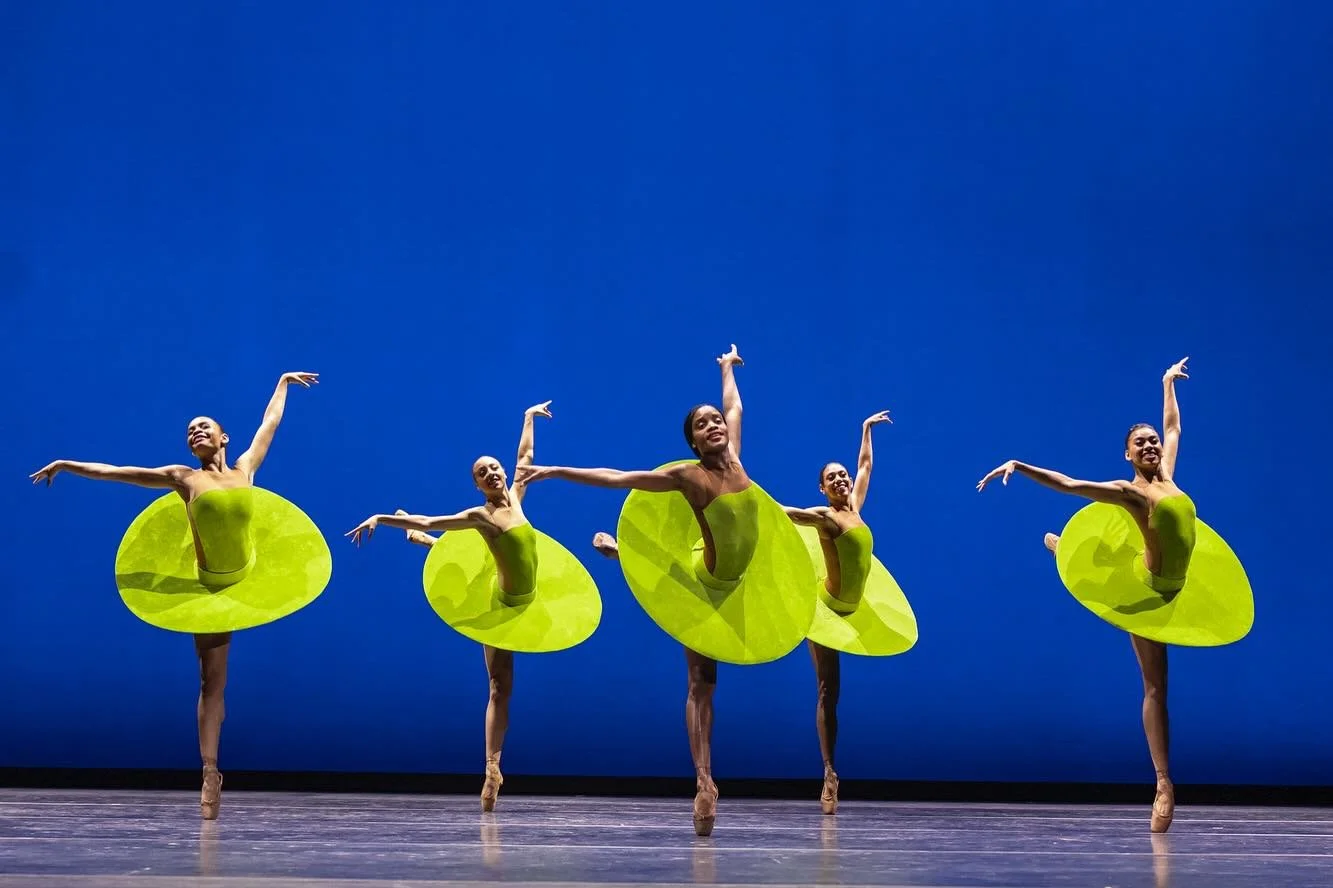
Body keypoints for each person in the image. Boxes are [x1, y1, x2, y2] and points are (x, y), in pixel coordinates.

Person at [518, 345, 815, 836]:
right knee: (702, 683)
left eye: (714, 420)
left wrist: (726, 368)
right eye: (702, 424)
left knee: (710, 673)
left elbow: (735, 406)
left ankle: (623, 554)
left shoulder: (736, 460)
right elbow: (619, 478)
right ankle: (704, 781)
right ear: (693, 442)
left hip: (740, 579)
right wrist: (554, 471)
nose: (714, 424)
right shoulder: (689, 477)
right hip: (705, 584)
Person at [30, 371, 328, 820]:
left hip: (252, 576)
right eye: (190, 430)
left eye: (204, 426)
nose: (195, 432)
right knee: (212, 683)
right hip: (209, 590)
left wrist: (283, 383)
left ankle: (214, 762)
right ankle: (210, 771)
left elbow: (269, 424)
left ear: (224, 437)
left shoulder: (245, 469)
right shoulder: (183, 478)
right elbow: (120, 473)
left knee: (223, 681)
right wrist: (68, 464)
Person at [977, 357, 1253, 833]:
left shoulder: (1170, 478)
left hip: (1178, 585)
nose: (1150, 444)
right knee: (1156, 687)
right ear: (1127, 455)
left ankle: (1068, 552)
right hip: (1147, 594)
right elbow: (1071, 484)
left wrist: (1167, 383)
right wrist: (1019, 466)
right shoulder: (1132, 493)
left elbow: (1174, 426)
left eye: (1151, 440)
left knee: (1155, 664)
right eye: (1139, 443)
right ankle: (1163, 783)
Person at [346, 401, 601, 813]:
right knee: (500, 687)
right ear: (478, 486)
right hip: (500, 606)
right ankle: (492, 768)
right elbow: (430, 520)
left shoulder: (517, 497)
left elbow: (525, 456)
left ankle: (425, 547)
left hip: (531, 599)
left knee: (476, 566)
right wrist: (382, 518)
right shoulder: (480, 516)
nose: (492, 473)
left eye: (494, 467)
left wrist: (528, 418)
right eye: (483, 473)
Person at [781, 409, 918, 815]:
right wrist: (742, 493)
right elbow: (784, 513)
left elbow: (865, 466)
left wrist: (865, 430)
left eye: (842, 475)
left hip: (854, 609)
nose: (842, 480)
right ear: (822, 488)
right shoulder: (824, 517)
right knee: (827, 692)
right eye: (833, 478)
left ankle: (830, 770)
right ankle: (829, 773)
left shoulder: (855, 507)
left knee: (835, 694)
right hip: (825, 611)